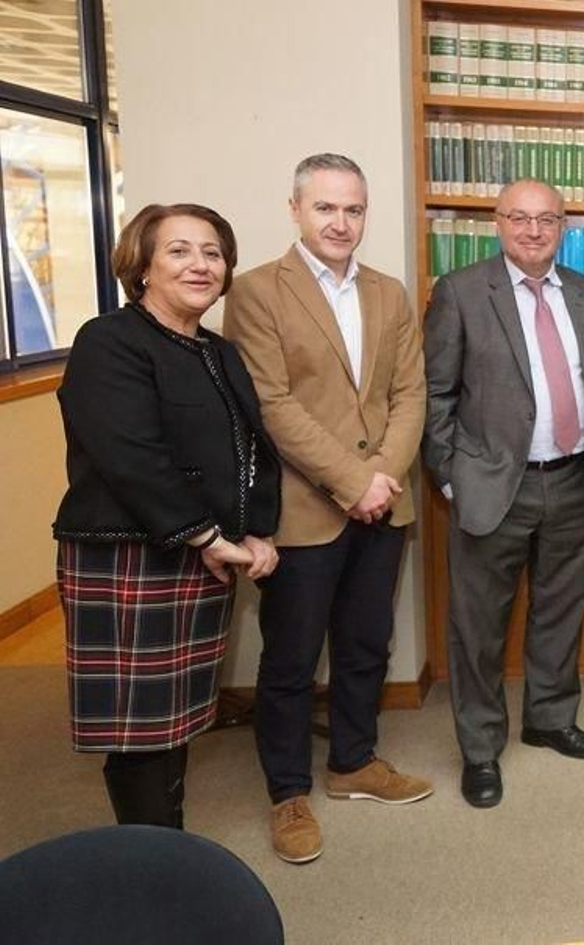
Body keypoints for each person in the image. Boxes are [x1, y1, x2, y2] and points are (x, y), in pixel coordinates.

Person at [223, 153, 431, 865]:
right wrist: (353, 480)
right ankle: (287, 792)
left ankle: (353, 762)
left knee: (367, 645)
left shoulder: (390, 291)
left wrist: (383, 476)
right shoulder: (255, 292)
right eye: (326, 208)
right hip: (306, 508)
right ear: (295, 209)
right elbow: (271, 404)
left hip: (384, 504)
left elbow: (411, 394)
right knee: (289, 659)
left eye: (354, 209)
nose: (342, 222)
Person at [52, 203, 281, 829]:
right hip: (130, 556)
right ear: (143, 265)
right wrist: (208, 536)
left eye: (212, 252)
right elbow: (131, 457)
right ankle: (152, 855)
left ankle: (164, 845)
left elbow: (247, 449)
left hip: (199, 554)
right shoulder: (109, 340)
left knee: (175, 716)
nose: (200, 265)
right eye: (179, 250)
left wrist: (255, 529)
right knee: (138, 727)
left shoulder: (217, 351)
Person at [422, 179, 584, 809]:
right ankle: (481, 748)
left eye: (546, 220)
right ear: (498, 222)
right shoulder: (460, 291)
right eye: (519, 218)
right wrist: (453, 477)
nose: (533, 231)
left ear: (564, 226)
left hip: (574, 479)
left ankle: (549, 717)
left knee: (561, 610)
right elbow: (436, 395)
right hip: (493, 486)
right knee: (478, 624)